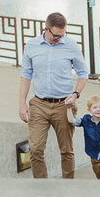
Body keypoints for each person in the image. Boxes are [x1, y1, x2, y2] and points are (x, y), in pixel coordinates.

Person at [19, 12, 88, 179]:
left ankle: (67, 187)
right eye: (56, 36)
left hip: (64, 105)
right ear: (46, 29)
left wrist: (76, 94)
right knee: (35, 149)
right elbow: (26, 75)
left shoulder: (71, 45)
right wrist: (22, 103)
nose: (59, 39)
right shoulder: (32, 45)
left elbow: (83, 73)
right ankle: (43, 188)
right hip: (39, 104)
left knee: (66, 150)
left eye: (62, 36)